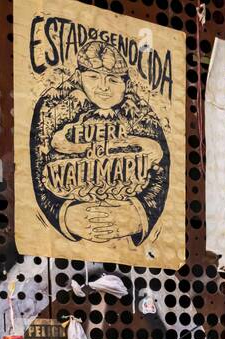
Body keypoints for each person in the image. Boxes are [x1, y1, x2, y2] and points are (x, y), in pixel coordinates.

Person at [36, 40, 170, 247]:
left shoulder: (144, 116)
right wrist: (64, 214)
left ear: (126, 83)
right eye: (92, 77)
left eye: (114, 80)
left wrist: (138, 214)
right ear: (79, 77)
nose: (103, 87)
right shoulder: (52, 109)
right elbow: (39, 173)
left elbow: (161, 177)